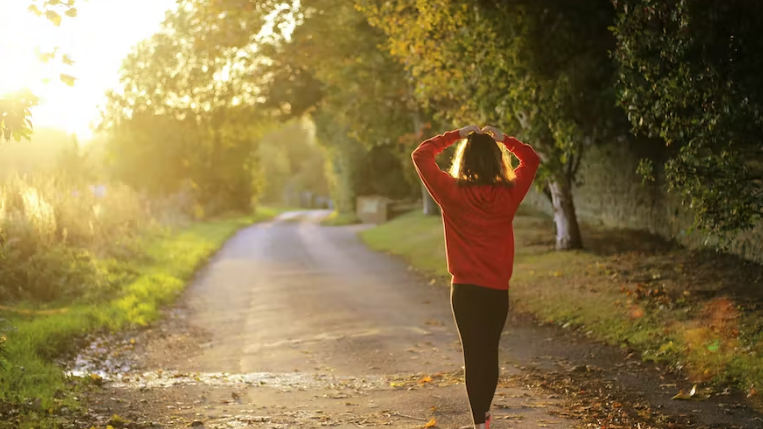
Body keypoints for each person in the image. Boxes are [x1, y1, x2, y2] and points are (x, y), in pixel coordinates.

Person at [411, 125, 540, 429]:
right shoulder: (508, 193)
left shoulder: (451, 192)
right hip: (496, 290)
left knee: (473, 354)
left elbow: (421, 155)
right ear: (497, 161)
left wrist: (456, 135)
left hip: (465, 291)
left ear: (464, 160)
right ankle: (484, 416)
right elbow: (531, 160)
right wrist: (505, 140)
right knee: (489, 351)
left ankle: (479, 422)